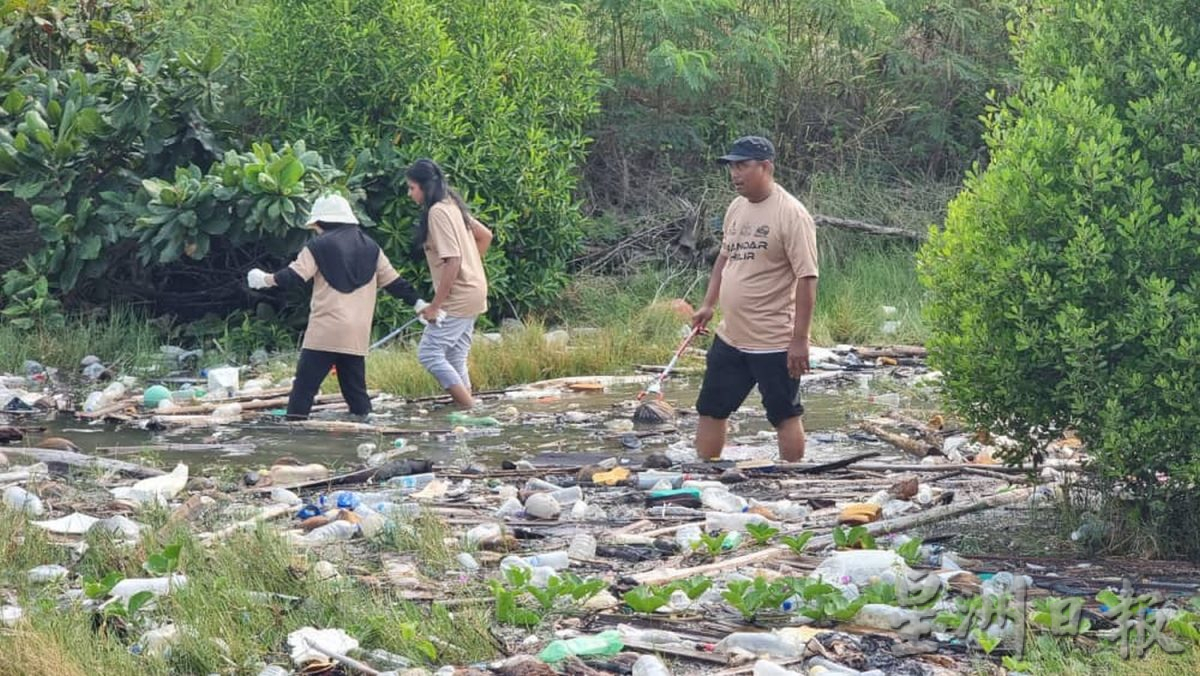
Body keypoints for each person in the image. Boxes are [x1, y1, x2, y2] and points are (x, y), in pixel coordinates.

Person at [246, 193, 434, 420]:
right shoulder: (371, 247)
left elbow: (293, 277)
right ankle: (367, 434)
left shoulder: (318, 246)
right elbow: (395, 283)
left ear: (321, 222)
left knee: (304, 390)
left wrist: (264, 279)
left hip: (325, 331)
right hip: (356, 333)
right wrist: (419, 303)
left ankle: (294, 435)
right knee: (356, 394)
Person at [691, 136, 819, 462]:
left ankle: (792, 479)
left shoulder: (792, 214)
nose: (735, 173)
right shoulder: (737, 206)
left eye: (742, 165)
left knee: (784, 414)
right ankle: (706, 473)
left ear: (766, 167)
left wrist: (800, 340)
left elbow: (807, 277)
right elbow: (725, 257)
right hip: (731, 335)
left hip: (773, 339)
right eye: (732, 166)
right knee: (710, 408)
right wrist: (708, 304)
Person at [405, 159, 493, 408]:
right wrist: (471, 269)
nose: (410, 194)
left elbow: (452, 261)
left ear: (424, 187)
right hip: (474, 291)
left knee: (429, 354)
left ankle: (470, 408)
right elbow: (485, 236)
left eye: (412, 188)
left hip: (460, 296)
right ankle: (466, 410)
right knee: (455, 356)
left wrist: (435, 306)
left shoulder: (438, 212)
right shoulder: (453, 204)